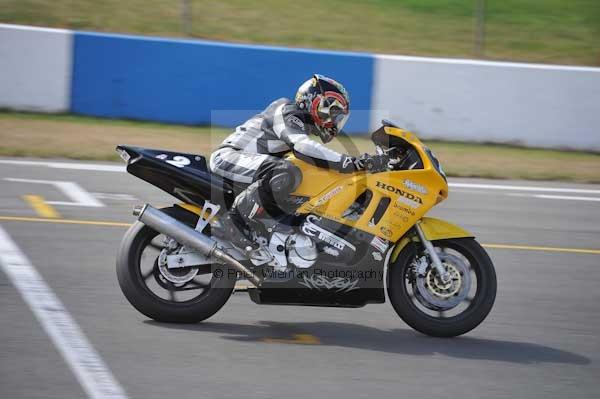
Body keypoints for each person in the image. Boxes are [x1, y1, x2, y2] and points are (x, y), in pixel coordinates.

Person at [209, 74, 365, 250]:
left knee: (300, 174)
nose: (333, 122)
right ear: (314, 101)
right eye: (332, 113)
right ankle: (233, 222)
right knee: (286, 171)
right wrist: (347, 162)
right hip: (229, 156)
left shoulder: (299, 124)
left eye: (337, 117)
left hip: (250, 165)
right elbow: (302, 146)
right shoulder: (286, 110)